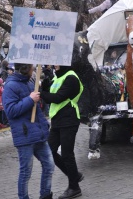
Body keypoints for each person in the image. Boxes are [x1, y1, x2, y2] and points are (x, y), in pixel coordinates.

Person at [2, 63, 54, 199]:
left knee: (49, 165)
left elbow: (37, 109)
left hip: (38, 132)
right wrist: (30, 99)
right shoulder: (10, 86)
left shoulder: (31, 82)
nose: (34, 69)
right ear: (27, 69)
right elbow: (11, 111)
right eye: (32, 67)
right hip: (24, 135)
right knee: (26, 172)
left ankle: (45, 195)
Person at [41, 65, 84, 199]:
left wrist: (41, 94)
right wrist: (45, 87)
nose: (55, 64)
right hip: (57, 120)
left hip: (69, 119)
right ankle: (74, 175)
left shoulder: (71, 77)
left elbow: (57, 97)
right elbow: (49, 97)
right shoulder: (57, 77)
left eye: (58, 62)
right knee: (49, 151)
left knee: (67, 154)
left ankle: (74, 187)